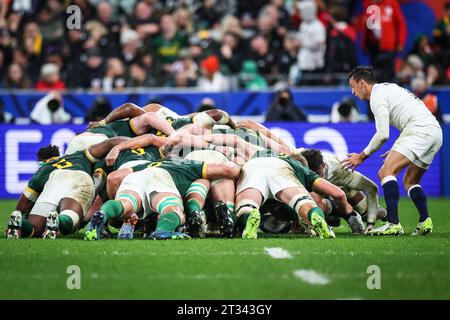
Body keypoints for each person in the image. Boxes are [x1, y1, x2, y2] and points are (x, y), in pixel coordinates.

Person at [342, 66, 443, 236]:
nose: (353, 92)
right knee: (410, 181)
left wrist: (361, 156)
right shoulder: (388, 87)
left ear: (362, 83)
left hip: (419, 130)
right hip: (434, 132)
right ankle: (425, 220)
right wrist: (399, 145)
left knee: (385, 172)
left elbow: (382, 135)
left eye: (353, 86)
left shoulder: (376, 97)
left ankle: (393, 223)